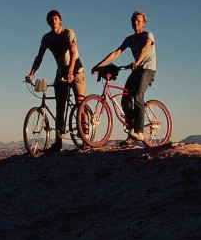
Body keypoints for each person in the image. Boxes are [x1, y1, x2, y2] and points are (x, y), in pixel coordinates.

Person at [92, 11, 156, 145]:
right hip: (137, 69)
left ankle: (139, 131)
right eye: (133, 21)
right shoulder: (130, 39)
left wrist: (137, 62)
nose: (135, 23)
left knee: (138, 96)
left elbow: (145, 49)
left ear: (143, 23)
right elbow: (116, 52)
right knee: (125, 98)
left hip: (148, 69)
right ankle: (132, 130)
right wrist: (99, 65)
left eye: (138, 21)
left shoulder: (148, 35)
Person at [26, 10, 86, 152]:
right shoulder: (47, 38)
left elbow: (72, 52)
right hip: (61, 72)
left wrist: (71, 72)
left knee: (80, 102)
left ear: (60, 20)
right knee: (60, 107)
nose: (53, 21)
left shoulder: (68, 33)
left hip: (76, 70)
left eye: (55, 18)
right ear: (47, 22)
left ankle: (86, 133)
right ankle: (58, 142)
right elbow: (39, 57)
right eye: (51, 19)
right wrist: (31, 74)